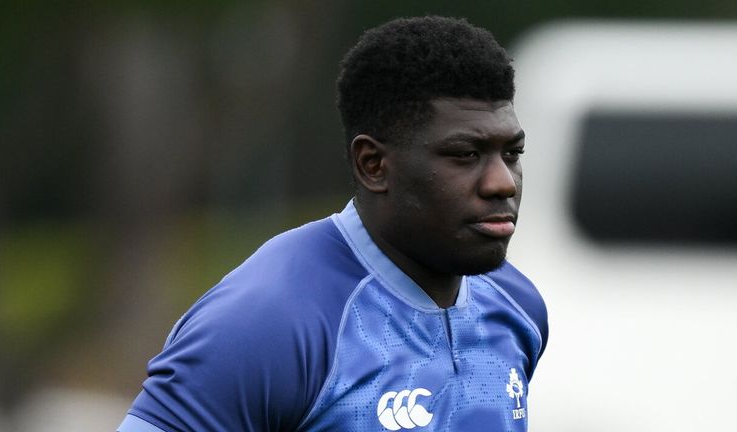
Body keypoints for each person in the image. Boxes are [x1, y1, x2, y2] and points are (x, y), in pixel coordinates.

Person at [118, 15, 548, 432]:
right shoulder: (270, 321)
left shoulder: (517, 307)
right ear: (373, 165)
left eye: (511, 154)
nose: (502, 183)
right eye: (465, 155)